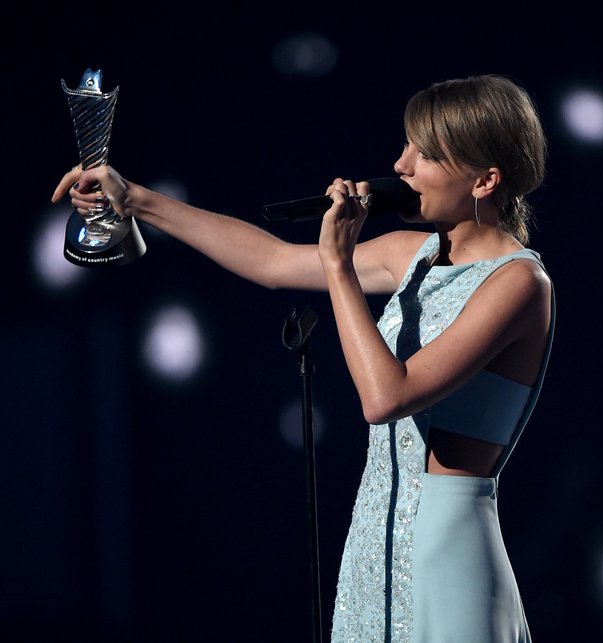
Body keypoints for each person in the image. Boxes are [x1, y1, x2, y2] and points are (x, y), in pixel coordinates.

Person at [52, 73, 555, 642]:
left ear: (485, 179)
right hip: (374, 533)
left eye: (426, 155)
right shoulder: (409, 255)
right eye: (407, 146)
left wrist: (338, 266)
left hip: (449, 550)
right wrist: (137, 199)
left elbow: (386, 397)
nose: (400, 166)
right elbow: (271, 262)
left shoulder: (519, 283)